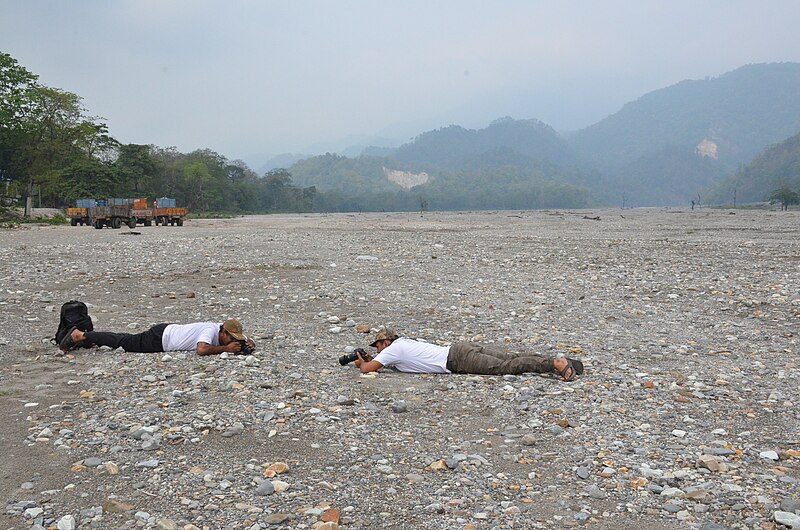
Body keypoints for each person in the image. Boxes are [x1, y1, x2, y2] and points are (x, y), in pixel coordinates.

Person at [354, 329, 583, 381]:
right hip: (459, 350)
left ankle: (555, 363)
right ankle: (555, 360)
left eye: (378, 346)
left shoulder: (392, 349)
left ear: (385, 342)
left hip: (457, 360)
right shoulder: (402, 344)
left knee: (505, 367)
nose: (377, 351)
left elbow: (368, 369)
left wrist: (360, 363)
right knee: (509, 357)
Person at [59, 319, 256, 356]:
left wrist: (247, 343)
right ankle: (80, 334)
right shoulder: (210, 331)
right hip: (160, 339)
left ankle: (91, 339)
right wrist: (225, 350)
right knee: (124, 341)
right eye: (230, 339)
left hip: (165, 332)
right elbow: (202, 350)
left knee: (125, 339)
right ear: (222, 332)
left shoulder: (224, 331)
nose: (233, 342)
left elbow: (244, 340)